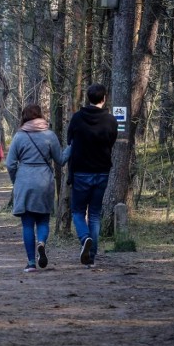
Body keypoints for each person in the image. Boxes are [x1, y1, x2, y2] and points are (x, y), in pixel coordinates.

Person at [6, 105, 68, 272]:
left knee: (27, 224)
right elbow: (61, 160)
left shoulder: (19, 136)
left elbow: (10, 164)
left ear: (24, 117)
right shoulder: (50, 135)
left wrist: (16, 180)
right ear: (40, 116)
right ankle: (41, 242)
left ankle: (31, 262)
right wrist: (72, 146)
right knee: (43, 220)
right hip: (45, 181)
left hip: (24, 180)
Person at [66, 83, 118, 267]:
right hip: (102, 171)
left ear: (88, 98)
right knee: (95, 214)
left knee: (78, 212)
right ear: (104, 99)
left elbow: (69, 140)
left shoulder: (77, 118)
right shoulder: (111, 120)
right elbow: (112, 142)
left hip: (81, 172)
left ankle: (85, 238)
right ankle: (91, 258)